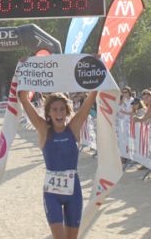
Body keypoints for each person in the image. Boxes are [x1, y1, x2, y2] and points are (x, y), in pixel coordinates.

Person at [18, 90, 97, 239]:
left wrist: (96, 85)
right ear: (48, 113)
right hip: (52, 195)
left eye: (62, 109)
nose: (59, 113)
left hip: (74, 192)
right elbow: (25, 103)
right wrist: (23, 94)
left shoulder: (73, 128)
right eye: (54, 110)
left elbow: (90, 100)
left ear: (67, 111)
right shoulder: (44, 130)